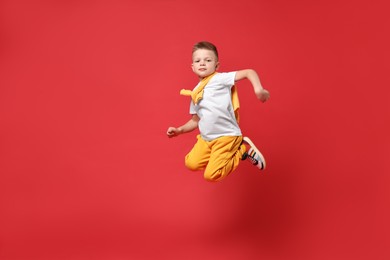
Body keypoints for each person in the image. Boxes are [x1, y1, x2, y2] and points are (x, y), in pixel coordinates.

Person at [167, 41, 270, 182]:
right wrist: (179, 130)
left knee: (210, 175)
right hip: (207, 139)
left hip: (226, 136)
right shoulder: (195, 93)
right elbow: (195, 121)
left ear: (216, 65)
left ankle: (241, 151)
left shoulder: (219, 79)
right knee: (191, 163)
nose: (202, 63)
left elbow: (248, 72)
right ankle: (233, 151)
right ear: (192, 66)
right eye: (198, 61)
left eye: (208, 60)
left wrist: (259, 89)